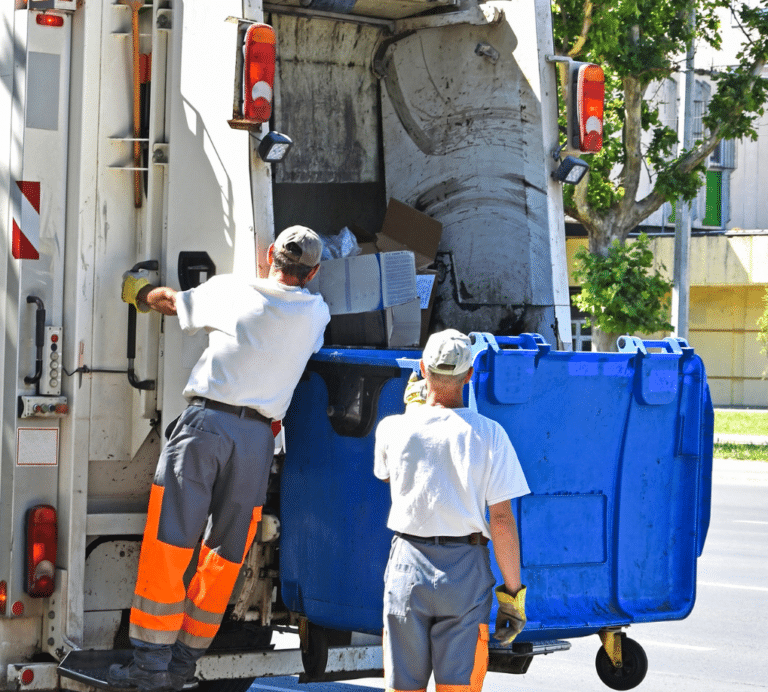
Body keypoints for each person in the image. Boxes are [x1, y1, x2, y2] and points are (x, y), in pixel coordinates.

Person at [109, 226, 330, 692]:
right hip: (257, 442)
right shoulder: (317, 314)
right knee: (225, 554)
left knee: (171, 543)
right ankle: (184, 663)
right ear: (313, 272)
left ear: (269, 254)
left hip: (207, 428)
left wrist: (138, 290)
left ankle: (150, 664)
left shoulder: (234, 289)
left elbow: (172, 302)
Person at [374, 329, 530, 692]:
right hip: (465, 570)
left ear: (423, 370)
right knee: (458, 686)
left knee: (403, 687)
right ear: (470, 374)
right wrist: (512, 595)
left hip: (407, 566)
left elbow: (390, 478)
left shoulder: (393, 429)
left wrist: (413, 411)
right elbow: (502, 521)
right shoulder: (491, 435)